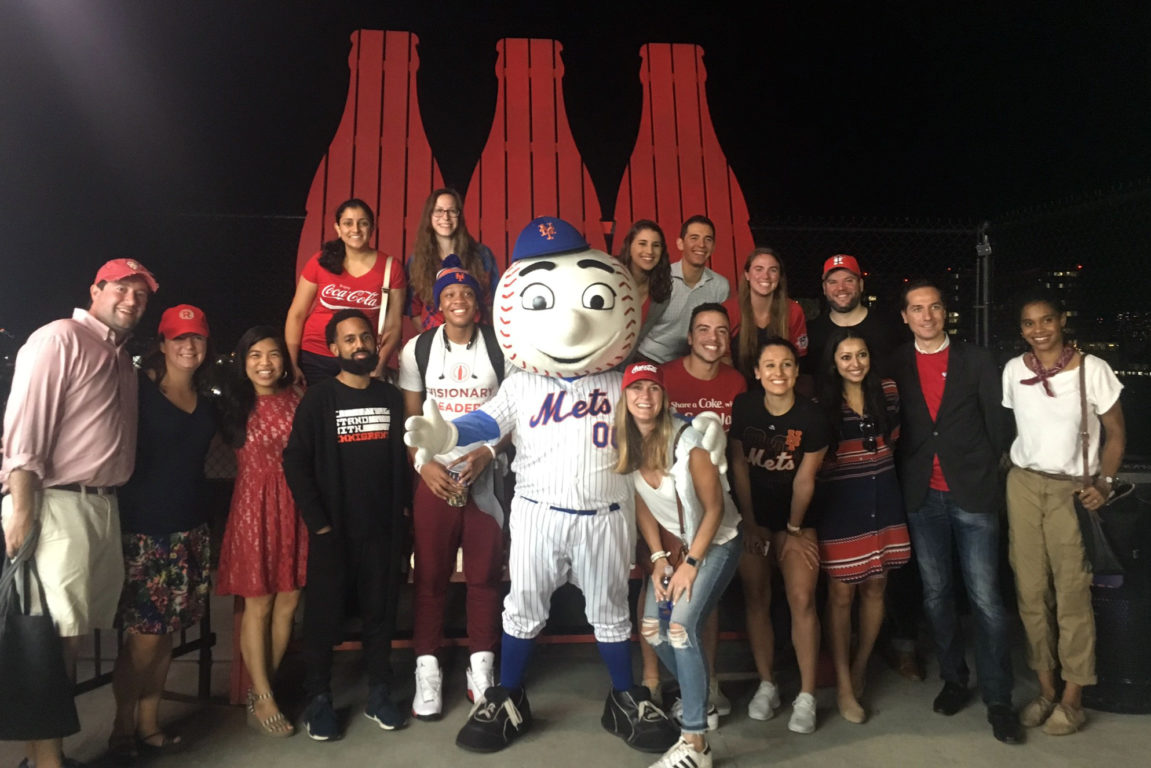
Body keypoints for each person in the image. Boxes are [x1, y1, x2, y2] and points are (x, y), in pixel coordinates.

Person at [405, 217, 725, 755]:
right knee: (523, 606)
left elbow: (659, 412)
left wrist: (698, 431)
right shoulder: (523, 380)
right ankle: (507, 694)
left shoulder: (623, 372)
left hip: (606, 513)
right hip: (537, 512)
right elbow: (487, 422)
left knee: (610, 613)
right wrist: (447, 431)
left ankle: (623, 696)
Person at [1, 258, 157, 768]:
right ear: (96, 288)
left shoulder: (120, 359)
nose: (131, 299)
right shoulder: (60, 338)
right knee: (48, 641)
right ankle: (45, 761)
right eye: (121, 289)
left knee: (73, 638)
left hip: (101, 507)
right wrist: (22, 512)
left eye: (141, 293)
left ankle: (53, 756)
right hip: (57, 502)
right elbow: (24, 434)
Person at [890, 279, 1020, 743]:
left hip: (973, 494)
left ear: (946, 313)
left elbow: (997, 426)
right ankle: (953, 678)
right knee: (936, 594)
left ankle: (1000, 697)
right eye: (917, 309)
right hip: (922, 496)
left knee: (986, 599)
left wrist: (984, 471)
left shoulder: (977, 359)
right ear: (904, 317)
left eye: (935, 307)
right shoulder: (897, 364)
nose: (927, 316)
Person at [282, 309, 411, 741]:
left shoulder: (392, 398)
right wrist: (318, 524)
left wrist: (404, 518)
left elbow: (406, 463)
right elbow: (295, 461)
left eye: (365, 337)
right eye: (349, 339)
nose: (359, 345)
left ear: (375, 344)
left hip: (384, 531)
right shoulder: (319, 400)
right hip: (332, 533)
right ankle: (319, 698)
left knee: (381, 615)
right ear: (334, 349)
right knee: (322, 619)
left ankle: (379, 692)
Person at [1002, 288, 1126, 736]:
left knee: (1073, 592)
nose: (1039, 330)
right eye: (1030, 323)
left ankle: (1074, 696)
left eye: (1046, 320)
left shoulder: (1093, 370)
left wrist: (1104, 482)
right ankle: (1045, 688)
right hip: (1024, 484)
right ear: (1022, 331)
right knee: (1031, 592)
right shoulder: (1015, 371)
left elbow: (1115, 434)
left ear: (1062, 321)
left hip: (1071, 490)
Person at [399, 257, 513, 720]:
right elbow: (411, 422)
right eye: (449, 295)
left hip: (485, 474)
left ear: (477, 303)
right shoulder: (417, 350)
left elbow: (516, 410)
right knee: (430, 576)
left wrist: (488, 453)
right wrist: (423, 466)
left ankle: (480, 668)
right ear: (438, 304)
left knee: (485, 576)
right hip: (436, 476)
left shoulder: (500, 347)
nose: (458, 300)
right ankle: (427, 669)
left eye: (466, 293)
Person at [616, 363, 743, 768]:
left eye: (653, 389)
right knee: (653, 630)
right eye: (636, 389)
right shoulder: (627, 443)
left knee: (680, 627)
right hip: (674, 550)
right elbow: (643, 504)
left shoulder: (688, 443)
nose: (645, 398)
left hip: (717, 542)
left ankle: (696, 744)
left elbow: (715, 509)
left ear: (663, 396)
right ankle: (698, 700)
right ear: (625, 398)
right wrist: (656, 557)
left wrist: (689, 562)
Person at [803, 254, 920, 680]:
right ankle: (837, 666)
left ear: (859, 282)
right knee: (840, 590)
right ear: (824, 287)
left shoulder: (887, 327)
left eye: (848, 279)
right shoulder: (815, 336)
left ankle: (888, 651)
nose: (841, 287)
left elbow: (899, 409)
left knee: (886, 579)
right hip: (840, 479)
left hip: (883, 471)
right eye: (833, 280)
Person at [110, 304, 217, 761]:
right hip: (145, 531)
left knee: (167, 634)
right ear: (162, 344)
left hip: (191, 530)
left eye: (196, 338)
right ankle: (121, 729)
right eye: (178, 339)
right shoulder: (137, 391)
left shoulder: (209, 401)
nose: (188, 346)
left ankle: (150, 725)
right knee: (143, 639)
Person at [729, 338, 828, 733]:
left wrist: (791, 529)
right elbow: (739, 464)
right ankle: (767, 684)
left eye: (786, 365)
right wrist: (750, 521)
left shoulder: (813, 417)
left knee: (801, 597)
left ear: (796, 371)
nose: (778, 373)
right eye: (769, 366)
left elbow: (805, 478)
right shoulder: (745, 406)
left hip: (798, 519)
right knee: (756, 594)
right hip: (754, 515)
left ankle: (807, 695)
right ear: (757, 372)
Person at [652, 301, 746, 718]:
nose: (713, 338)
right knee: (656, 602)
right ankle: (656, 685)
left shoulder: (736, 382)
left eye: (722, 331)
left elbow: (737, 454)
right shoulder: (666, 378)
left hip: (712, 509)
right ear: (690, 337)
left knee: (700, 602)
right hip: (668, 510)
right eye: (704, 329)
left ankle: (707, 685)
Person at [814, 327, 911, 724]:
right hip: (842, 507)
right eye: (846, 357)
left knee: (876, 588)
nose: (855, 363)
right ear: (834, 363)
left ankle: (859, 667)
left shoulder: (886, 391)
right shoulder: (821, 401)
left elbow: (896, 440)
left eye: (862, 355)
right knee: (841, 596)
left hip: (884, 500)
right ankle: (842, 682)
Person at [217, 327, 307, 738]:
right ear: (243, 361)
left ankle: (260, 688)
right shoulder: (232, 405)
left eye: (273, 354)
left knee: (289, 602)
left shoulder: (299, 400)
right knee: (260, 605)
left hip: (296, 504)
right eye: (255, 355)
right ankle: (265, 694)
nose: (265, 363)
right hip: (254, 507)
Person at [284, 198, 406, 385]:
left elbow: (394, 325)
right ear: (338, 228)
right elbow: (297, 314)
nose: (355, 230)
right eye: (348, 223)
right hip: (315, 355)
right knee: (321, 411)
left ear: (372, 228)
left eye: (362, 223)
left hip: (360, 356)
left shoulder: (391, 267)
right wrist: (292, 362)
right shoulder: (320, 261)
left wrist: (379, 364)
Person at [634, 215, 731, 364]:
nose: (701, 245)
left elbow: (720, 332)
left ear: (713, 247)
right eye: (694, 238)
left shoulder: (720, 286)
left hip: (692, 363)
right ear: (680, 243)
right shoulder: (661, 277)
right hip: (648, 358)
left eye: (708, 239)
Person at [405, 187, 500, 333]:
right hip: (435, 339)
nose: (446, 217)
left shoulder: (481, 254)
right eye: (439, 211)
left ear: (459, 216)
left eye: (452, 211)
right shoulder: (416, 261)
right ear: (429, 216)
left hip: (477, 336)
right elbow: (414, 311)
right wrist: (434, 339)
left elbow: (491, 303)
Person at [732, 247, 808, 382]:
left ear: (779, 276)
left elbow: (800, 361)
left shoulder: (793, 310)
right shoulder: (730, 310)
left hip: (780, 387)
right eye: (758, 269)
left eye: (773, 270)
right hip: (738, 389)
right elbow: (722, 361)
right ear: (747, 274)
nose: (765, 276)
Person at [616, 219, 673, 361]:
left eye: (656, 245)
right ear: (630, 247)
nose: (649, 251)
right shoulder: (611, 279)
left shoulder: (661, 292)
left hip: (624, 369)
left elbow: (635, 343)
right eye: (642, 243)